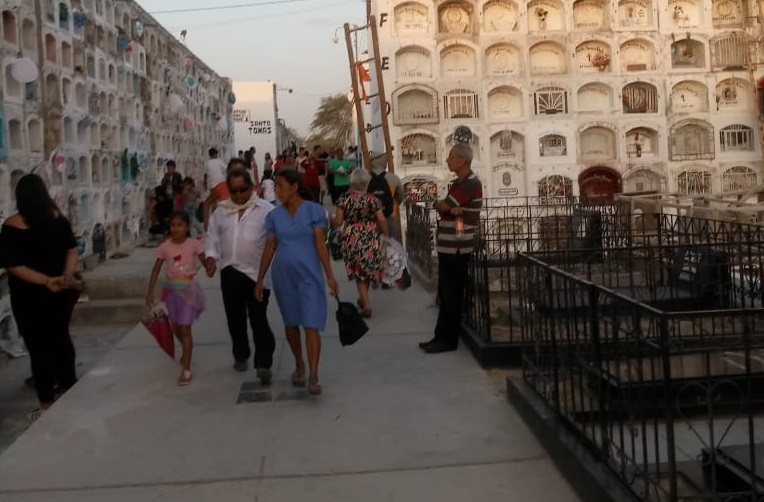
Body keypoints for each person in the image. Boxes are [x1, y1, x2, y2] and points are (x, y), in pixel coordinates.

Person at [0, 174, 81, 420]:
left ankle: (46, 404)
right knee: (61, 340)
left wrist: (47, 281)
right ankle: (71, 391)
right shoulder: (59, 220)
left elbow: (14, 266)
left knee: (39, 348)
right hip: (61, 295)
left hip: (29, 297)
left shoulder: (10, 226)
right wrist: (65, 277)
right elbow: (72, 250)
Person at [256, 169, 339, 396]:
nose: (277, 191)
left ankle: (313, 374)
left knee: (311, 324)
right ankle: (299, 363)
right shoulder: (273, 216)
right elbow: (270, 246)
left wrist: (329, 275)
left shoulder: (313, 211)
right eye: (276, 187)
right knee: (291, 323)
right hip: (284, 276)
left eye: (281, 186)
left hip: (310, 275)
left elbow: (320, 244)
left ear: (294, 186)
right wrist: (260, 278)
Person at [204, 169, 276, 383]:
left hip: (257, 275)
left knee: (258, 319)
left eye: (242, 190)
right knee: (235, 320)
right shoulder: (221, 212)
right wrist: (210, 258)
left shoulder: (266, 210)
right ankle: (241, 354)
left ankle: (263, 363)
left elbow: (274, 242)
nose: (238, 195)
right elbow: (211, 238)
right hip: (230, 271)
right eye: (233, 191)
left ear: (252, 188)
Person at [419, 144, 483, 354]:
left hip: (458, 247)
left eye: (452, 156)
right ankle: (440, 336)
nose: (448, 160)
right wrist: (447, 208)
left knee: (451, 294)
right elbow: (446, 208)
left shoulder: (470, 184)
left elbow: (445, 206)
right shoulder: (458, 183)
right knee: (445, 293)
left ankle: (447, 340)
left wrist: (448, 208)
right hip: (449, 245)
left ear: (463, 161)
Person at [146, 211, 207, 385]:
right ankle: (186, 351)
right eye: (173, 225)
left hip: (188, 291)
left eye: (180, 225)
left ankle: (186, 369)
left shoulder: (194, 244)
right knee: (176, 328)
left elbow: (204, 261)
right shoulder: (165, 247)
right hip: (171, 292)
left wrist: (210, 267)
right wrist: (150, 292)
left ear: (187, 227)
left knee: (186, 329)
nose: (176, 228)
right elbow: (156, 269)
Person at [332, 169, 389, 318]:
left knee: (359, 272)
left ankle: (366, 304)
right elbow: (382, 219)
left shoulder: (344, 198)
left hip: (351, 237)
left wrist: (331, 218)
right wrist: (387, 236)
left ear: (351, 182)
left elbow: (338, 222)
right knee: (367, 269)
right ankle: (364, 299)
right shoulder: (372, 199)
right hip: (370, 235)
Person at [203, 158, 244, 230]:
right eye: (234, 171)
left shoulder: (248, 188)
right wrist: (206, 222)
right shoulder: (222, 187)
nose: (237, 175)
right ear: (228, 172)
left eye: (240, 172)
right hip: (224, 228)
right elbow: (207, 203)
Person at [371, 158, 406, 242]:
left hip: (371, 217)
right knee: (390, 244)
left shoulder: (366, 178)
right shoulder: (393, 177)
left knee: (374, 243)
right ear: (384, 163)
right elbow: (401, 196)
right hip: (390, 214)